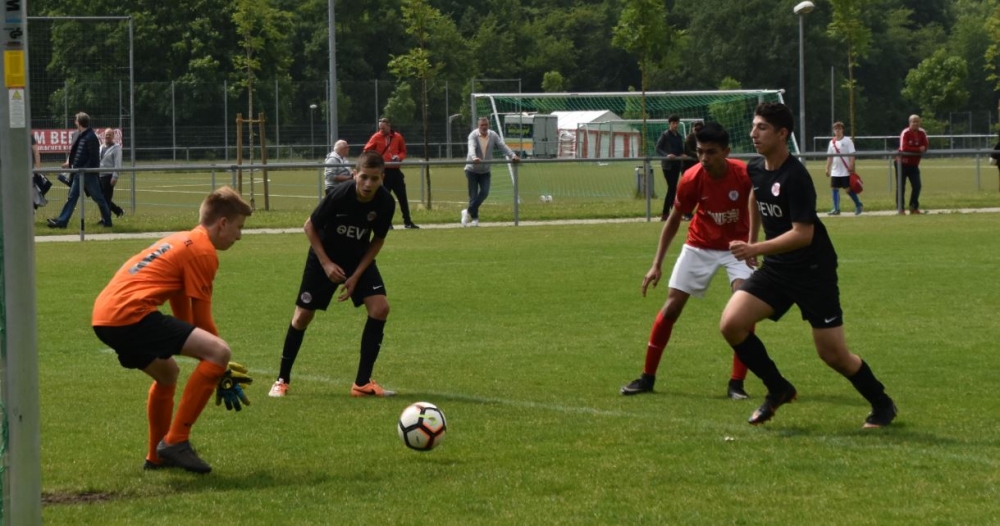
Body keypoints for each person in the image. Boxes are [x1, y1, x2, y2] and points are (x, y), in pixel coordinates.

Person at [720, 102, 897, 428]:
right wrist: (752, 238)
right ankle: (778, 388)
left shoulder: (796, 176)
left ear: (782, 134)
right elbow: (755, 196)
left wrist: (754, 247)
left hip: (812, 271)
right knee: (731, 323)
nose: (753, 133)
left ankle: (882, 403)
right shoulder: (756, 168)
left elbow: (803, 234)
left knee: (833, 355)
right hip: (777, 268)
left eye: (761, 127)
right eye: (754, 126)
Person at [91, 187, 254, 474]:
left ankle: (156, 457)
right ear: (222, 223)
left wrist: (211, 365)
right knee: (219, 352)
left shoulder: (182, 240)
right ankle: (176, 441)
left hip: (105, 317)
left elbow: (184, 317)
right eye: (239, 227)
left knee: (167, 374)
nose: (239, 236)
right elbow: (202, 322)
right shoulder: (203, 251)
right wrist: (220, 367)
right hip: (130, 315)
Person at [621, 122, 754, 400]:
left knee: (743, 310)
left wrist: (753, 245)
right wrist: (656, 263)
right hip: (699, 245)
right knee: (671, 308)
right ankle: (647, 378)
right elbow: (673, 220)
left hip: (737, 247)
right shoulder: (692, 178)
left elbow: (757, 210)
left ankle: (736, 384)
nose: (704, 158)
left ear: (726, 152)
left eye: (711, 152)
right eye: (700, 151)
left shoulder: (744, 175)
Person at [268, 150, 397, 399]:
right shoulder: (340, 194)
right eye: (364, 177)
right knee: (302, 317)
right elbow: (309, 226)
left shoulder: (385, 202)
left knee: (380, 308)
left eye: (374, 178)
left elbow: (378, 240)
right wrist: (326, 264)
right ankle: (281, 380)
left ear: (382, 178)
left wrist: (356, 275)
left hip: (357, 258)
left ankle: (362, 384)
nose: (368, 184)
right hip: (324, 257)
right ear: (355, 174)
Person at [47, 112, 114, 229]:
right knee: (72, 197)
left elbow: (94, 158)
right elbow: (78, 155)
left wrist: (84, 169)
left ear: (80, 122)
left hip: (88, 174)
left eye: (76, 121)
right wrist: (72, 165)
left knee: (98, 198)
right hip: (79, 174)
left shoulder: (91, 137)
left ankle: (107, 221)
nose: (75, 122)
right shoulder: (82, 136)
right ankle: (62, 222)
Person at [462, 117, 520, 227]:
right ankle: (475, 219)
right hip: (472, 170)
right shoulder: (473, 135)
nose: (484, 127)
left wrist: (512, 155)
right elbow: (471, 147)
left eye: (486, 125)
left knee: (485, 192)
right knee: (473, 196)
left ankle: (467, 212)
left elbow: (502, 146)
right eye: (482, 125)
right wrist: (474, 157)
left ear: (488, 125)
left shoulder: (493, 135)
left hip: (485, 171)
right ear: (478, 126)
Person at [363, 117, 418, 229]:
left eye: (383, 128)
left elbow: (403, 151)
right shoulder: (376, 137)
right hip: (384, 172)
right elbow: (366, 150)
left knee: (402, 197)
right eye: (380, 128)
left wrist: (399, 157)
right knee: (385, 199)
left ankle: (407, 221)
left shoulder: (398, 137)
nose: (381, 130)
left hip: (396, 171)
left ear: (389, 126)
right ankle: (388, 223)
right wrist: (377, 159)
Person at [824, 122, 863, 216]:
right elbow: (830, 157)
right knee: (834, 188)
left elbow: (852, 154)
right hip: (835, 170)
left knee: (847, 189)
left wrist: (851, 165)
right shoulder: (832, 142)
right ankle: (836, 209)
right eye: (836, 129)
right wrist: (827, 168)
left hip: (845, 171)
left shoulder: (847, 141)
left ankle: (858, 204)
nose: (837, 131)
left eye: (839, 129)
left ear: (842, 130)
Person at [895, 114, 928, 215]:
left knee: (917, 186)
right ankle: (900, 209)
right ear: (910, 123)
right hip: (902, 164)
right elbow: (904, 148)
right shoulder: (905, 133)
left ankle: (913, 207)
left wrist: (921, 149)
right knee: (901, 186)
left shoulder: (922, 133)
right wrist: (918, 149)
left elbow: (925, 146)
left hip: (914, 165)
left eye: (917, 121)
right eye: (913, 121)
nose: (916, 123)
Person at [654, 115, 684, 221]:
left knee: (672, 188)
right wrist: (666, 155)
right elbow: (657, 148)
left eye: (677, 123)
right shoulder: (665, 135)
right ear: (669, 124)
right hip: (667, 166)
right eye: (673, 123)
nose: (675, 125)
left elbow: (680, 149)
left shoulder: (679, 136)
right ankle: (671, 214)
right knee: (672, 188)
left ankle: (666, 214)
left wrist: (683, 154)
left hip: (676, 165)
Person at [680, 121, 704, 221]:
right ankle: (686, 213)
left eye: (699, 129)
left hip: (697, 166)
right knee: (688, 191)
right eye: (696, 129)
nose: (697, 131)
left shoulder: (703, 138)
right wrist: (699, 154)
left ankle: (699, 212)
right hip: (688, 168)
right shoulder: (689, 138)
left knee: (700, 190)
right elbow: (688, 151)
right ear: (693, 129)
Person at [98, 128, 125, 218]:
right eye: (106, 134)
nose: (108, 136)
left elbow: (117, 164)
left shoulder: (116, 148)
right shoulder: (101, 147)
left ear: (113, 136)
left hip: (109, 176)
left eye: (110, 134)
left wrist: (115, 176)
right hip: (99, 176)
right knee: (100, 198)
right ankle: (118, 211)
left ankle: (105, 219)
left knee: (105, 198)